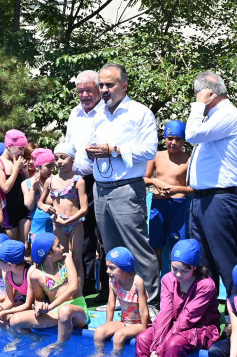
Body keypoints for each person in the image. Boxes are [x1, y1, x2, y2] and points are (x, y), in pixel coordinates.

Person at [86, 63, 160, 301]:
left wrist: (114, 150)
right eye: (102, 85)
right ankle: (122, 301)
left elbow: (149, 151)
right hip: (100, 189)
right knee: (112, 251)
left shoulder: (140, 113)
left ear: (124, 86)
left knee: (137, 247)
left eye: (110, 84)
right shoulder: (97, 113)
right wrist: (89, 153)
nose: (104, 89)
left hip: (127, 187)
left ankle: (152, 301)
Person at [185, 71, 237, 296]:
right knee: (203, 264)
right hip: (203, 197)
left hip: (221, 197)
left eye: (196, 94)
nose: (195, 98)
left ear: (208, 93)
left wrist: (197, 106)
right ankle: (208, 316)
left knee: (225, 259)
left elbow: (191, 134)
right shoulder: (213, 118)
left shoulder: (228, 114)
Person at [135, 239, 221, 356]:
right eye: (174, 268)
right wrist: (155, 346)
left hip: (201, 328)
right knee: (143, 339)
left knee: (173, 344)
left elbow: (186, 319)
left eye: (184, 270)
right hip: (174, 324)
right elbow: (165, 314)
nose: (178, 274)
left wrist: (160, 349)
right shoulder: (167, 279)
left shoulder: (205, 285)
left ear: (194, 267)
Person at [65, 69, 106, 299]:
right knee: (83, 234)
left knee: (104, 233)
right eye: (81, 91)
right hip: (78, 180)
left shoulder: (107, 112)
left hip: (100, 178)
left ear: (99, 89)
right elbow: (70, 145)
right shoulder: (74, 113)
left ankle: (107, 290)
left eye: (89, 90)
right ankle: (87, 285)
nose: (85, 95)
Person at [9, 232, 89, 347]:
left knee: (65, 311)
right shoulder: (36, 275)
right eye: (58, 245)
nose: (62, 247)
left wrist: (50, 306)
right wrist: (40, 306)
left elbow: (73, 287)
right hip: (56, 312)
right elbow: (39, 298)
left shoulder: (66, 258)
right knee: (15, 321)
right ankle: (38, 340)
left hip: (77, 310)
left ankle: (58, 346)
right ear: (48, 254)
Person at [38, 143, 88, 290]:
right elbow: (40, 203)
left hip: (75, 224)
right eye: (57, 158)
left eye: (63, 157)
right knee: (62, 259)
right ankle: (64, 291)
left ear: (72, 159)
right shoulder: (51, 180)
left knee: (77, 259)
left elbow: (84, 209)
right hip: (58, 224)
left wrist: (69, 221)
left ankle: (79, 294)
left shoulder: (78, 181)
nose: (59, 161)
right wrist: (45, 207)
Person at [145, 120, 192, 270]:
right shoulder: (156, 156)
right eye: (170, 138)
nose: (173, 142)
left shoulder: (189, 160)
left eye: (178, 139)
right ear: (164, 138)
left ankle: (177, 288)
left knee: (177, 250)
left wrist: (176, 189)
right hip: (158, 206)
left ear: (184, 140)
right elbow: (143, 179)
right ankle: (155, 289)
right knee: (155, 249)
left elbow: (194, 189)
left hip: (178, 207)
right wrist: (156, 182)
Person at [93, 247, 149, 355]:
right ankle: (99, 354)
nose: (107, 271)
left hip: (138, 323)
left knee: (118, 337)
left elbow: (143, 309)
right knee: (99, 332)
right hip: (124, 322)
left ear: (124, 268)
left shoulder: (137, 282)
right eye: (107, 267)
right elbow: (110, 305)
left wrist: (144, 329)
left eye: (112, 268)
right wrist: (108, 326)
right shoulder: (113, 281)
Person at [0, 129, 30, 243]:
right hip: (8, 210)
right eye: (21, 148)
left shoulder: (18, 161)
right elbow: (5, 188)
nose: (22, 153)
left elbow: (26, 187)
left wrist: (25, 172)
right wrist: (16, 169)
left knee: (26, 247)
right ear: (9, 146)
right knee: (13, 247)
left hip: (23, 208)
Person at [0, 239, 32, 326]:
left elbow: (28, 305)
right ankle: (15, 339)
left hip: (38, 305)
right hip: (25, 302)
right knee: (0, 320)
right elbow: (9, 301)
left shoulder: (30, 273)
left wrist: (5, 312)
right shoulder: (8, 274)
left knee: (12, 320)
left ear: (9, 264)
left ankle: (34, 338)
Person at [22, 147, 55, 243]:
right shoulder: (26, 183)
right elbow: (29, 206)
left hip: (54, 224)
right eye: (48, 166)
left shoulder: (55, 181)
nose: (52, 170)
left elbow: (53, 202)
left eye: (53, 166)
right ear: (38, 167)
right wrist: (33, 189)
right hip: (37, 225)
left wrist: (43, 189)